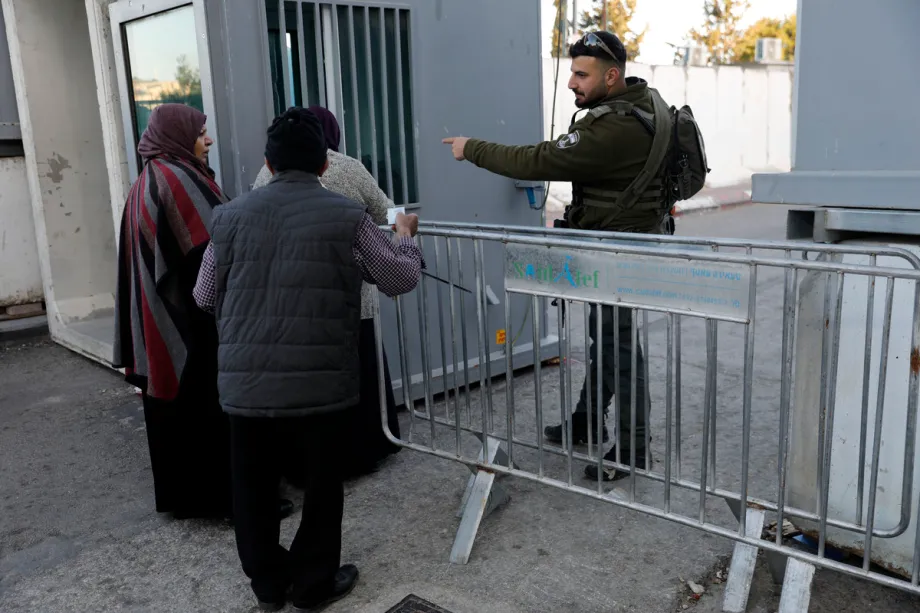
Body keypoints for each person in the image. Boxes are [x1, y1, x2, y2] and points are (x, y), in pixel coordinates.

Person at [193, 107, 425, 611]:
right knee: (322, 488)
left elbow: (204, 295)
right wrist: (406, 240)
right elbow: (398, 279)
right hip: (321, 385)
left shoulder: (228, 217)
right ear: (325, 166)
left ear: (268, 164)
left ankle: (269, 586)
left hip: (246, 386)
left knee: (252, 489)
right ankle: (313, 583)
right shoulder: (349, 218)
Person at [442, 31, 664, 483]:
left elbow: (540, 160)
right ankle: (585, 421)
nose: (571, 83)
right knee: (608, 337)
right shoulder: (643, 106)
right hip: (616, 245)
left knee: (619, 344)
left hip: (618, 250)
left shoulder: (616, 127)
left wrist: (473, 148)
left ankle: (635, 446)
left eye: (582, 75)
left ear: (613, 75)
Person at [112, 103, 293, 520]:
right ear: (179, 136)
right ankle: (229, 501)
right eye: (200, 133)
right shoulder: (176, 179)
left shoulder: (151, 177)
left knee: (177, 415)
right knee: (210, 413)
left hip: (168, 320)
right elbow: (210, 250)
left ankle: (187, 497)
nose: (207, 140)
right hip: (194, 325)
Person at [252, 105, 402, 480]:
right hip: (351, 302)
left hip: (287, 304)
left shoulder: (265, 173)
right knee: (359, 375)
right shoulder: (348, 168)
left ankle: (304, 465)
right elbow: (387, 211)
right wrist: (405, 237)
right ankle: (364, 451)